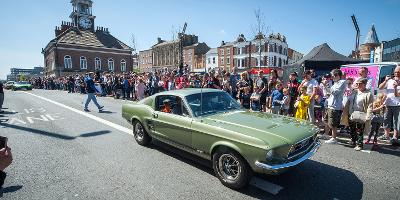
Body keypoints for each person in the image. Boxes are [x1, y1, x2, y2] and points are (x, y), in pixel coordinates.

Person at [348, 78, 373, 151]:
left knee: (360, 130)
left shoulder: (368, 94)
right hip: (351, 113)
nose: (358, 85)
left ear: (364, 84)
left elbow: (370, 106)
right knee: (352, 128)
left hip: (361, 114)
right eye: (357, 83)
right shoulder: (354, 91)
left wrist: (368, 115)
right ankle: (353, 140)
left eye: (360, 83)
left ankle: (359, 144)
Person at [323, 69, 348, 144]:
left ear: (337, 75)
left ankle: (334, 138)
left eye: (333, 76)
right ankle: (329, 135)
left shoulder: (342, 82)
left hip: (335, 106)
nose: (332, 77)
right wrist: (326, 87)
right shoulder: (335, 83)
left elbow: (335, 92)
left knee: (333, 123)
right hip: (330, 104)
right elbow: (330, 91)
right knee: (327, 121)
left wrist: (326, 85)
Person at [378, 65, 400, 144]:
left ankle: (395, 137)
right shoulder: (390, 80)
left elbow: (397, 95)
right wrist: (385, 81)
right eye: (395, 72)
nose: (396, 73)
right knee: (386, 119)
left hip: (397, 105)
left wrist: (395, 88)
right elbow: (380, 87)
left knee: (396, 121)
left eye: (398, 72)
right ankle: (386, 135)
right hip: (388, 104)